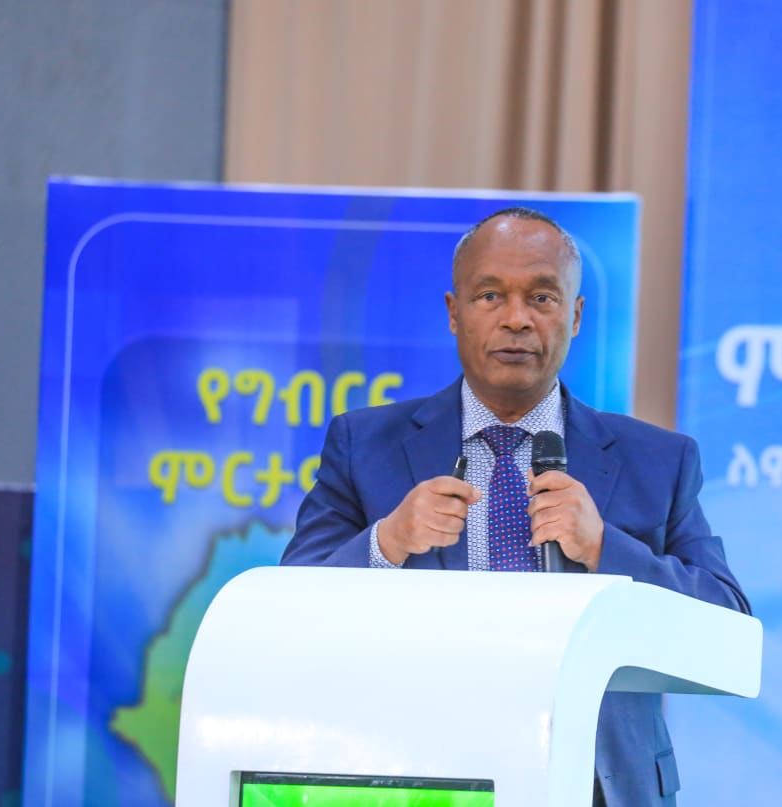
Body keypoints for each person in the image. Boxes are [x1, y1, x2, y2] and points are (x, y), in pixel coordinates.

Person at [282, 207, 750, 806]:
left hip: (597, 786)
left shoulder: (658, 461)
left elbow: (728, 627)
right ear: (454, 313)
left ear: (575, 316)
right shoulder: (363, 446)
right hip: (415, 779)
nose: (517, 320)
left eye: (543, 298)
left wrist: (607, 548)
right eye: (490, 296)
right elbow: (286, 613)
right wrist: (386, 543)